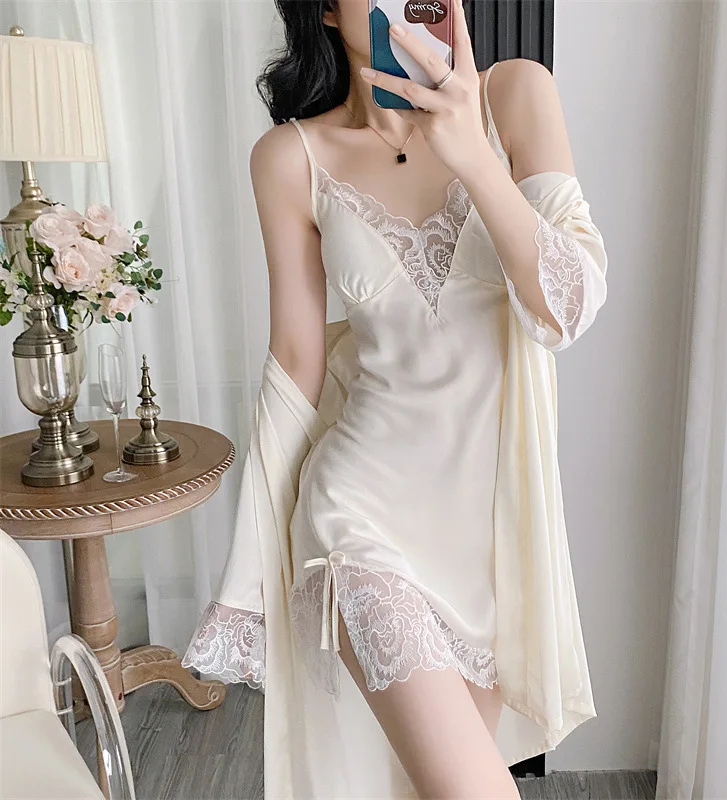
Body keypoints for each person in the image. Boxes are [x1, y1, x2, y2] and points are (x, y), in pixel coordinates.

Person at [183, 0, 608, 797]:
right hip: (359, 519)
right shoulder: (290, 157)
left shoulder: (517, 95)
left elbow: (569, 310)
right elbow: (296, 366)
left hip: (491, 540)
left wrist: (473, 154)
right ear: (323, 6)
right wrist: (248, 575)